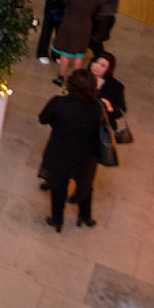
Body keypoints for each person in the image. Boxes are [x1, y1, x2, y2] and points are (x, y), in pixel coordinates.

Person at [39, 67, 104, 231]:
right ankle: (85, 216)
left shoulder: (59, 103)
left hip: (61, 151)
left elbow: (43, 118)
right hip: (86, 154)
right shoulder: (97, 107)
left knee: (59, 186)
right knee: (85, 186)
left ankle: (57, 220)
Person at [54, 0, 100, 84]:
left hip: (69, 25)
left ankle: (61, 77)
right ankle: (76, 80)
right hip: (85, 27)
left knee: (65, 53)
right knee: (79, 54)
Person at [90, 51, 127, 121]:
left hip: (101, 122)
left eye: (102, 66)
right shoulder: (81, 78)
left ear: (108, 69)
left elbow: (121, 110)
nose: (97, 67)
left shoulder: (115, 86)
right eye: (96, 62)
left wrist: (109, 108)